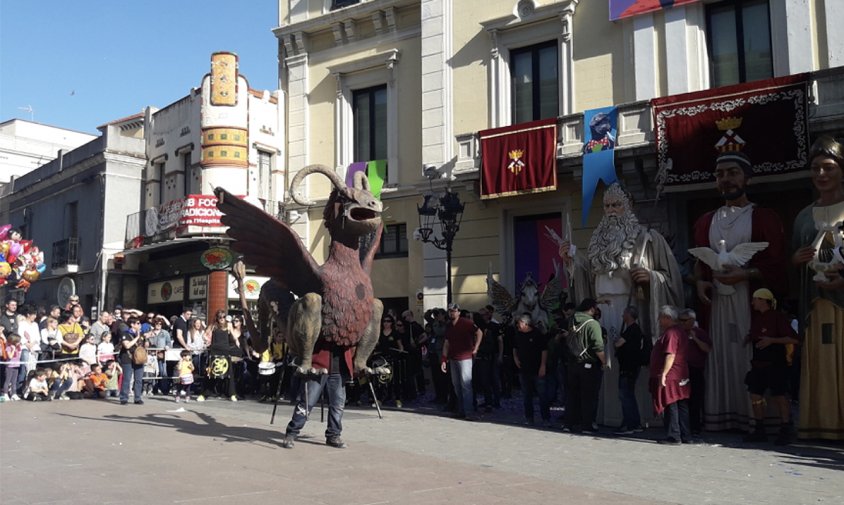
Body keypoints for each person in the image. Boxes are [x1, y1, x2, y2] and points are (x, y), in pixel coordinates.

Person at [560, 183, 684, 426]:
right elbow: (588, 275)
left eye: (616, 204)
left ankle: (639, 417)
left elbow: (672, 277)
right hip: (602, 312)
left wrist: (652, 277)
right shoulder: (597, 241)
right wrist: (572, 260)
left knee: (628, 363)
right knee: (604, 361)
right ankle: (604, 414)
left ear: (629, 207)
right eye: (607, 205)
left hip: (632, 310)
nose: (611, 210)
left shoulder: (648, 238)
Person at [693, 150, 787, 431]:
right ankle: (723, 416)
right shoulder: (705, 221)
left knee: (750, 357)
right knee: (720, 356)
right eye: (720, 175)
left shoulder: (763, 217)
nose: (726, 180)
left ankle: (759, 421)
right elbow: (699, 263)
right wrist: (700, 281)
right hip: (719, 307)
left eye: (733, 173)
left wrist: (745, 274)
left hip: (750, 304)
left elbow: (778, 266)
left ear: (746, 177)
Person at [792, 136, 844, 441]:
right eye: (815, 169)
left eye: (828, 167)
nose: (821, 175)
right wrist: (795, 259)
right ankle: (819, 422)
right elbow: (791, 266)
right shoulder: (803, 216)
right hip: (815, 302)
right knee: (820, 362)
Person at [742, 288, 800, 445]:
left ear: (763, 300)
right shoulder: (756, 318)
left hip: (776, 365)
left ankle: (786, 429)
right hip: (758, 364)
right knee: (755, 396)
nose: (752, 302)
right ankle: (760, 430)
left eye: (755, 299)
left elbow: (794, 339)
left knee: (780, 396)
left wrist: (772, 340)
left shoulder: (777, 317)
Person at [649, 306, 692, 445]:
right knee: (681, 404)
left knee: (671, 403)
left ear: (667, 318)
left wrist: (664, 374)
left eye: (660, 318)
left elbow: (671, 354)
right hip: (680, 373)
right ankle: (685, 434)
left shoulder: (672, 333)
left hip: (673, 374)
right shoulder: (680, 331)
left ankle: (674, 435)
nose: (659, 321)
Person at [563, 298, 606, 433]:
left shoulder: (571, 320)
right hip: (588, 364)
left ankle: (569, 424)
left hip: (572, 363)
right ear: (592, 309)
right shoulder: (592, 324)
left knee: (571, 395)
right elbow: (598, 345)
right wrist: (604, 362)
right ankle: (587, 425)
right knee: (588, 396)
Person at [441, 303, 482, 420]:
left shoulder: (466, 322)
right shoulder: (449, 326)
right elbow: (446, 343)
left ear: (458, 312)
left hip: (465, 358)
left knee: (466, 385)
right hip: (453, 358)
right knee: (456, 386)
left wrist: (476, 347)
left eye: (454, 311)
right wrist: (444, 359)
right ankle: (461, 410)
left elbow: (479, 332)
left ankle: (469, 412)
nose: (452, 313)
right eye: (450, 311)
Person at [512, 314, 549, 425]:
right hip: (523, 369)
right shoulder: (518, 334)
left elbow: (544, 350)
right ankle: (529, 418)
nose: (517, 325)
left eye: (519, 323)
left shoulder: (537, 334)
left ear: (525, 323)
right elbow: (515, 348)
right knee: (526, 395)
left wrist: (543, 365)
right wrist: (515, 358)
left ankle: (546, 418)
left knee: (542, 395)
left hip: (537, 368)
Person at [613, 306, 645, 435]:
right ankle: (635, 423)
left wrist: (615, 339)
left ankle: (629, 425)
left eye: (624, 314)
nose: (622, 316)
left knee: (625, 395)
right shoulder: (634, 329)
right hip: (631, 367)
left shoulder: (632, 329)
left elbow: (618, 343)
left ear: (629, 315)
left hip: (628, 368)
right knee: (629, 395)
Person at [678, 309, 711, 435]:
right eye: (679, 320)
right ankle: (683, 426)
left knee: (696, 399)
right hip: (682, 370)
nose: (681, 323)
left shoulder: (700, 333)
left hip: (695, 370)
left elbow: (707, 349)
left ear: (692, 321)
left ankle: (695, 426)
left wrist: (695, 339)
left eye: (684, 320)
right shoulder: (679, 332)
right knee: (682, 400)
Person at [198, 310, 239, 402]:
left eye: (224, 317)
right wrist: (206, 340)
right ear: (217, 318)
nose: (222, 319)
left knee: (229, 373)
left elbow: (233, 336)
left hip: (225, 351)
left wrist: (237, 342)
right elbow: (204, 335)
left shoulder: (228, 325)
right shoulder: (213, 325)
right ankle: (204, 394)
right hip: (215, 351)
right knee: (211, 372)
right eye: (220, 317)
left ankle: (232, 394)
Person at [475, 306, 503, 410]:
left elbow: (500, 341)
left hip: (493, 355)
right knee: (484, 379)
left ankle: (496, 401)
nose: (482, 317)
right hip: (482, 355)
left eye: (483, 315)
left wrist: (500, 355)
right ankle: (488, 401)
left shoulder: (495, 326)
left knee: (495, 379)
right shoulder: (478, 326)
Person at [118, 317, 146, 405]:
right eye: (137, 323)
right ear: (132, 324)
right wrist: (137, 337)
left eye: (139, 323)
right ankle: (123, 398)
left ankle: (137, 398)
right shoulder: (125, 333)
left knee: (138, 379)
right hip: (128, 358)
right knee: (127, 378)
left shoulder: (141, 334)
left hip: (138, 358)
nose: (139, 325)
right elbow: (127, 346)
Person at [2, 333, 22, 401]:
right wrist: (13, 349)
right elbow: (10, 356)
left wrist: (18, 347)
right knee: (7, 381)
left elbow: (19, 355)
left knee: (14, 381)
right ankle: (5, 393)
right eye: (18, 341)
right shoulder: (8, 347)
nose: (19, 342)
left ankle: (14, 394)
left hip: (16, 366)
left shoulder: (18, 347)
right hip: (10, 366)